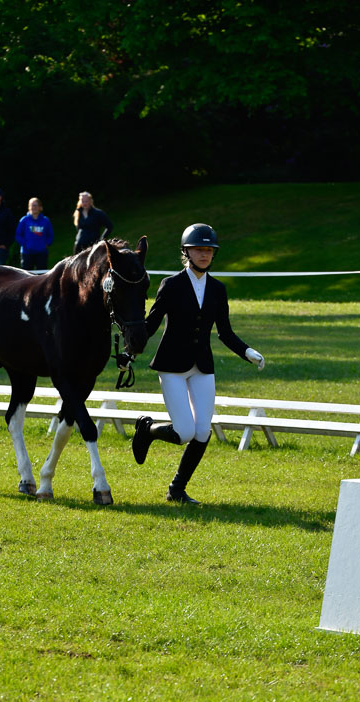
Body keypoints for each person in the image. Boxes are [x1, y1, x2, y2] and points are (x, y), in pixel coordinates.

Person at [132, 222, 265, 504]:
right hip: (171, 366)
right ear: (186, 252)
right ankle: (148, 430)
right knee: (183, 432)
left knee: (203, 431)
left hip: (202, 366)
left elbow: (225, 332)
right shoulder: (171, 284)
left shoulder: (218, 289)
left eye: (208, 250)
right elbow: (152, 324)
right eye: (198, 250)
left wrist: (247, 351)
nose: (204, 254)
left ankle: (176, 489)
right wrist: (131, 349)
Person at [15, 197, 54, 271]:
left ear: (40, 207)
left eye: (36, 205)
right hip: (27, 253)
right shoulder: (24, 220)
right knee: (26, 275)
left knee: (42, 275)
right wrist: (26, 244)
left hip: (42, 252)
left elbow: (51, 235)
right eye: (32, 205)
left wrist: (46, 244)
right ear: (29, 207)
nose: (34, 207)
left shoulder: (45, 220)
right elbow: (18, 235)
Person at [72, 190, 113, 255]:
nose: (84, 203)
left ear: (90, 201)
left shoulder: (98, 213)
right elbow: (78, 227)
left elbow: (109, 226)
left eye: (86, 201)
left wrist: (102, 238)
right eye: (83, 201)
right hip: (79, 245)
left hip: (93, 245)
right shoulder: (78, 213)